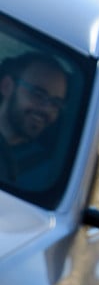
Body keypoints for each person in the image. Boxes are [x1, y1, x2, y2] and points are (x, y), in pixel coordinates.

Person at [0, 51, 68, 187]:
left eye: (55, 103)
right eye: (38, 95)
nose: (46, 109)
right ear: (7, 86)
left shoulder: (50, 176)